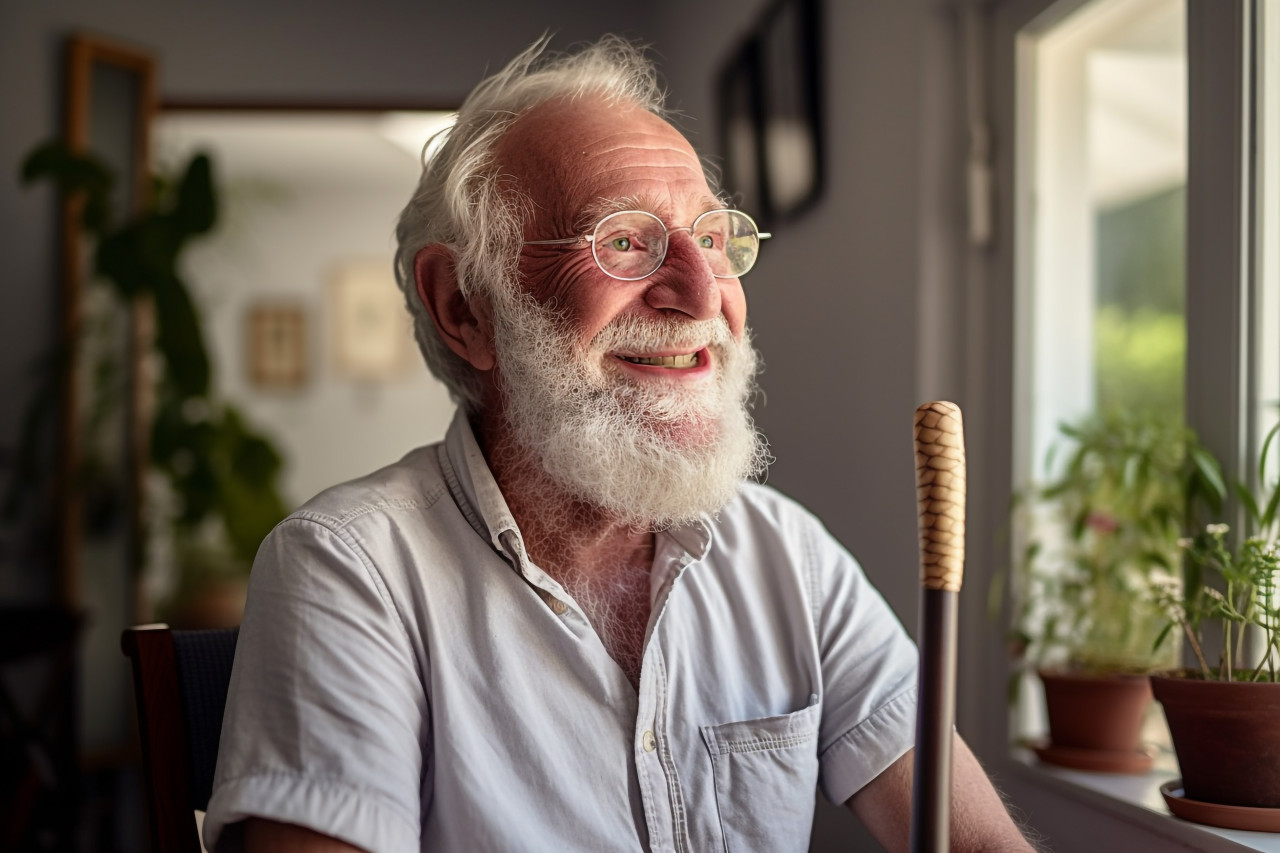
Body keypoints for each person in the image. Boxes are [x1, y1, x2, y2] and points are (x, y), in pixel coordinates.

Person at [203, 36, 1036, 853]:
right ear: (464, 306)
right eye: (625, 242)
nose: (704, 293)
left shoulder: (791, 558)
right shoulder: (352, 570)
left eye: (713, 236)